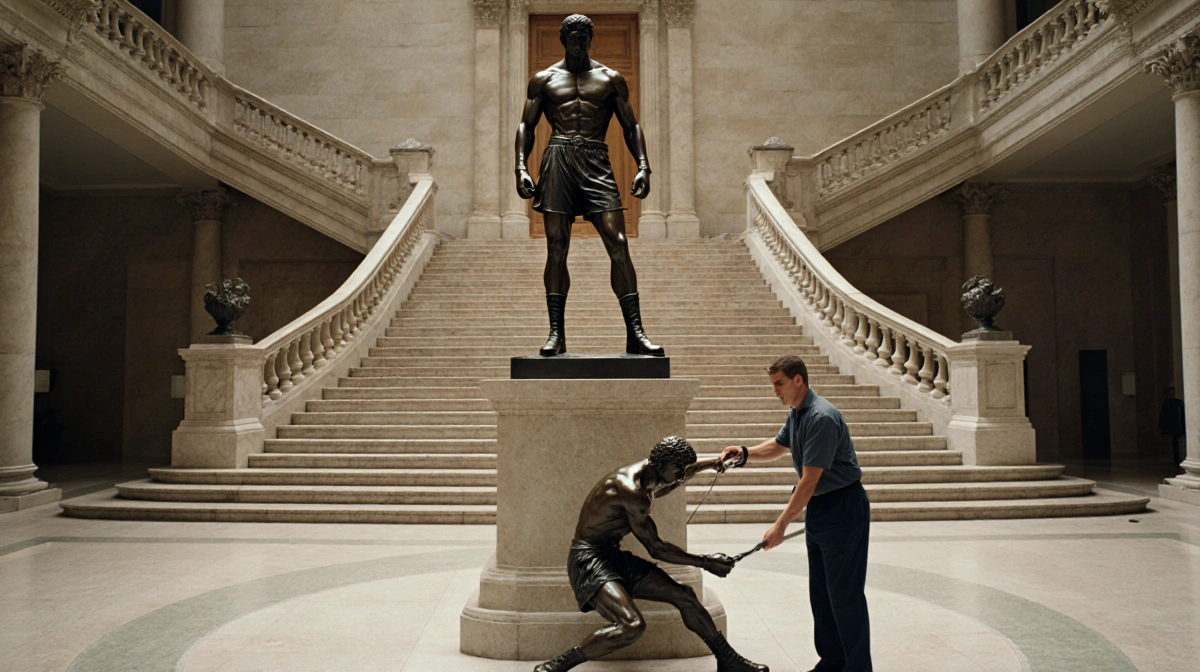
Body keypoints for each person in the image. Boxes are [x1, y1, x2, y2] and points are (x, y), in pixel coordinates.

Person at [535, 436, 768, 672]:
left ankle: (728, 660)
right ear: (663, 464)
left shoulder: (652, 470)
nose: (680, 476)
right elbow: (656, 548)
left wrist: (712, 463)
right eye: (677, 470)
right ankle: (558, 665)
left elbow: (677, 478)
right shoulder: (632, 492)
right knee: (632, 625)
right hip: (589, 560)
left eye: (682, 470)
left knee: (684, 596)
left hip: (612, 556)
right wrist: (706, 562)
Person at [515, 14, 662, 358]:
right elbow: (526, 125)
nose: (579, 43)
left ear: (590, 40)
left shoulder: (610, 79)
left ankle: (635, 333)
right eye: (573, 37)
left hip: (597, 160)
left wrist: (643, 166)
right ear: (563, 39)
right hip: (558, 158)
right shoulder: (544, 79)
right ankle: (556, 334)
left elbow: (631, 126)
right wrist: (521, 167)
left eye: (584, 37)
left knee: (619, 242)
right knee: (556, 247)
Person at [721, 355, 873, 672]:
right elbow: (778, 446)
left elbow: (809, 480)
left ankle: (857, 668)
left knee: (845, 596)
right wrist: (745, 453)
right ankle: (833, 661)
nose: (775, 391)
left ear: (798, 380)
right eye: (773, 384)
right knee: (822, 595)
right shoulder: (798, 413)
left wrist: (780, 525)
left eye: (779, 383)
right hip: (821, 508)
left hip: (843, 507)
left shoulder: (820, 418)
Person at [1158, 386, 1186, 465]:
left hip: (1178, 425)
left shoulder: (1178, 403)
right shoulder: (1167, 403)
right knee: (1175, 442)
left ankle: (1178, 458)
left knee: (1177, 442)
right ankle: (1177, 458)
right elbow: (1164, 415)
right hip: (1173, 425)